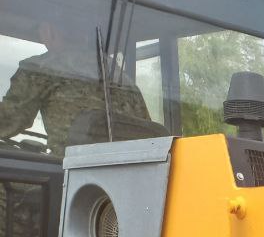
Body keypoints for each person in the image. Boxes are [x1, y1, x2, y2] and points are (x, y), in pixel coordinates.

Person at [0, 19, 152, 157]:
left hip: (68, 179)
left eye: (40, 31)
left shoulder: (40, 69)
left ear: (49, 31)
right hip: (130, 179)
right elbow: (151, 136)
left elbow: (10, 119)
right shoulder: (121, 78)